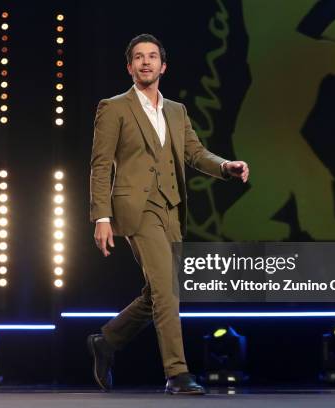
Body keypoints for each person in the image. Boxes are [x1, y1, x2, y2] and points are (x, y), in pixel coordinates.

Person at [88, 33, 249, 395]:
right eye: (139, 57)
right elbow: (100, 166)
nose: (146, 62)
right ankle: (177, 373)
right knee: (168, 290)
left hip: (172, 209)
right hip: (136, 209)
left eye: (153, 56)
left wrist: (226, 166)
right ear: (129, 67)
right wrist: (101, 216)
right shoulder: (113, 107)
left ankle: (107, 340)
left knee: (159, 290)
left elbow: (195, 153)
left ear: (163, 66)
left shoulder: (177, 111)